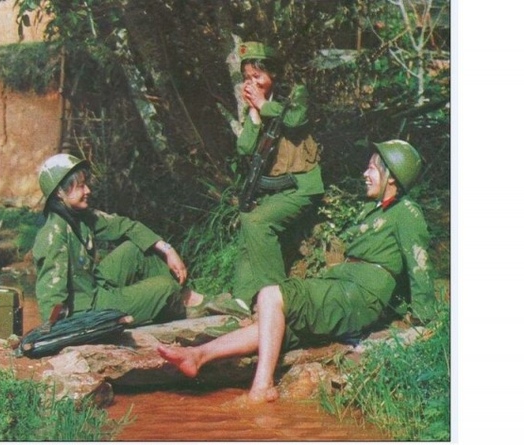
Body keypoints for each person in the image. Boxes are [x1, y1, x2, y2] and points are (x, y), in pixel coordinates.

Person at [158, 140, 437, 403]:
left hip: (357, 296)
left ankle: (262, 386)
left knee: (270, 294)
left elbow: (419, 263)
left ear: (392, 177)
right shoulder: (373, 210)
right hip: (343, 291)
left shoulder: (407, 212)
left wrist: (423, 319)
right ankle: (198, 356)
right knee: (273, 326)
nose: (365, 174)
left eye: (372, 169)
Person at [212, 41, 324, 316]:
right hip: (276, 190)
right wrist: (253, 113)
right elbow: (245, 148)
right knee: (248, 223)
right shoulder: (257, 107)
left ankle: (277, 298)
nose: (252, 82)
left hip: (301, 186)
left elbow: (295, 120)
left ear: (273, 73)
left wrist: (263, 105)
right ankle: (242, 299)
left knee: (258, 222)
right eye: (247, 77)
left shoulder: (295, 94)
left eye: (257, 76)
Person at [32, 153, 207, 326]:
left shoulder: (80, 217)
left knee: (137, 250)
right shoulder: (53, 234)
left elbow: (125, 226)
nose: (88, 191)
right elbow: (51, 296)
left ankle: (193, 299)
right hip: (87, 310)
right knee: (165, 287)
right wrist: (58, 328)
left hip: (93, 285)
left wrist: (168, 250)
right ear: (59, 193)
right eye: (80, 186)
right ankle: (179, 304)